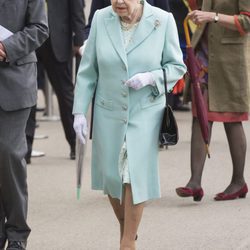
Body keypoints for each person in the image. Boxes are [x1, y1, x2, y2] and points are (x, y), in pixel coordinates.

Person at [73, 0, 186, 249]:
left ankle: (126, 243)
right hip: (108, 111)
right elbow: (88, 70)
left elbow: (177, 67)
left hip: (145, 111)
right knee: (112, 178)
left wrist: (150, 78)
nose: (118, 2)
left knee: (132, 174)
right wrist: (79, 112)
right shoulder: (102, 19)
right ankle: (129, 232)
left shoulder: (162, 20)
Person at [176, 0, 250, 202]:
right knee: (199, 115)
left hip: (230, 60)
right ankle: (195, 182)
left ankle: (238, 181)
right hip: (204, 53)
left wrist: (213, 16)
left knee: (231, 118)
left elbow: (247, 22)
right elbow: (196, 6)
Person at [0, 0, 48, 248]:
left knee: (9, 154)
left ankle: (17, 232)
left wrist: (5, 47)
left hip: (15, 82)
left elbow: (40, 28)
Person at [36, 0, 86, 160]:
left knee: (65, 95)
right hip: (29, 40)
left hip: (57, 39)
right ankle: (24, 149)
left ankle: (75, 143)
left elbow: (77, 8)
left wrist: (79, 40)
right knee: (26, 95)